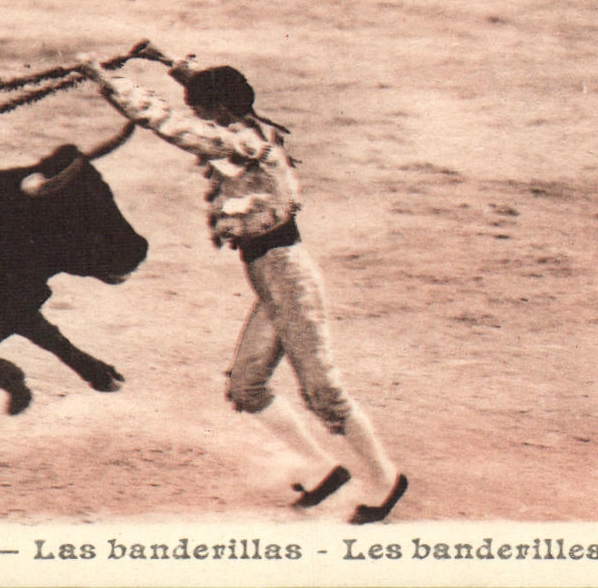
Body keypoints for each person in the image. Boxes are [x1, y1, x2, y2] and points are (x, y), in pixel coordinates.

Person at [78, 43, 408, 524]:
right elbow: (212, 92)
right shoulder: (252, 126)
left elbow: (169, 123)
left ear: (223, 111)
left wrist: (105, 78)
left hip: (287, 277)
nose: (201, 118)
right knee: (247, 387)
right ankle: (320, 469)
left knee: (323, 394)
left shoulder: (242, 143)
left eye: (206, 111)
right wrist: (167, 61)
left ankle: (384, 478)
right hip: (272, 277)